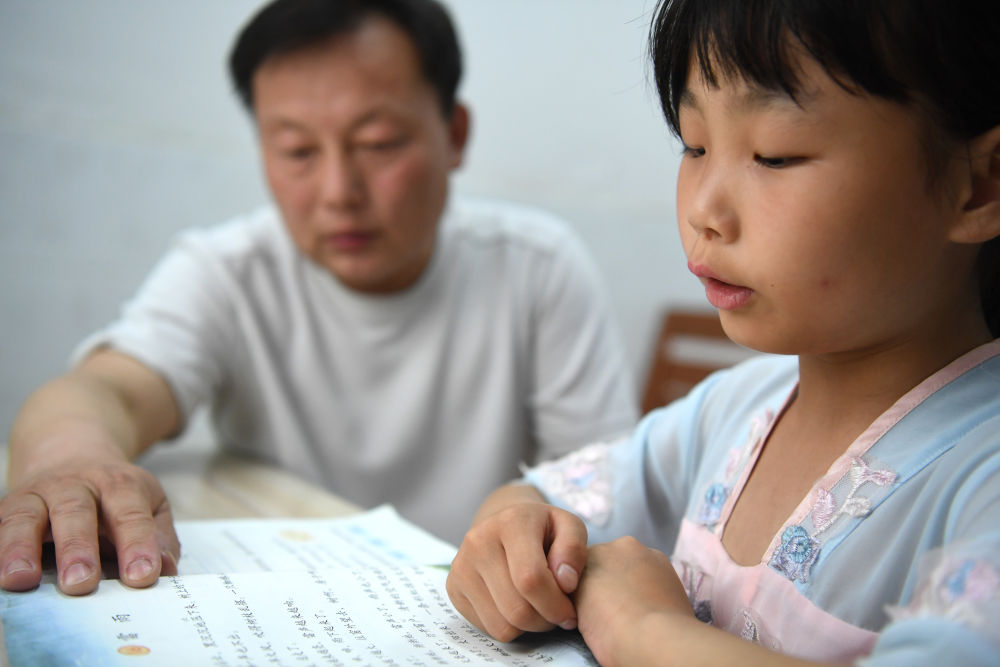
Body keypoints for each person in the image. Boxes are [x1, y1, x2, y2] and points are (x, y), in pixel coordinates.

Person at [0, 0, 638, 597]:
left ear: (455, 134)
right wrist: (71, 459)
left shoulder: (536, 268)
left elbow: (605, 485)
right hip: (287, 602)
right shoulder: (229, 272)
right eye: (297, 151)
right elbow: (108, 390)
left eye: (378, 143)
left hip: (484, 609)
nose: (338, 191)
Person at [445, 0, 1000, 664]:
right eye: (695, 145)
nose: (704, 209)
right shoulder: (735, 407)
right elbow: (540, 497)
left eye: (774, 155)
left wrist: (646, 631)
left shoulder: (981, 476)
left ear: (979, 184)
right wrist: (511, 537)